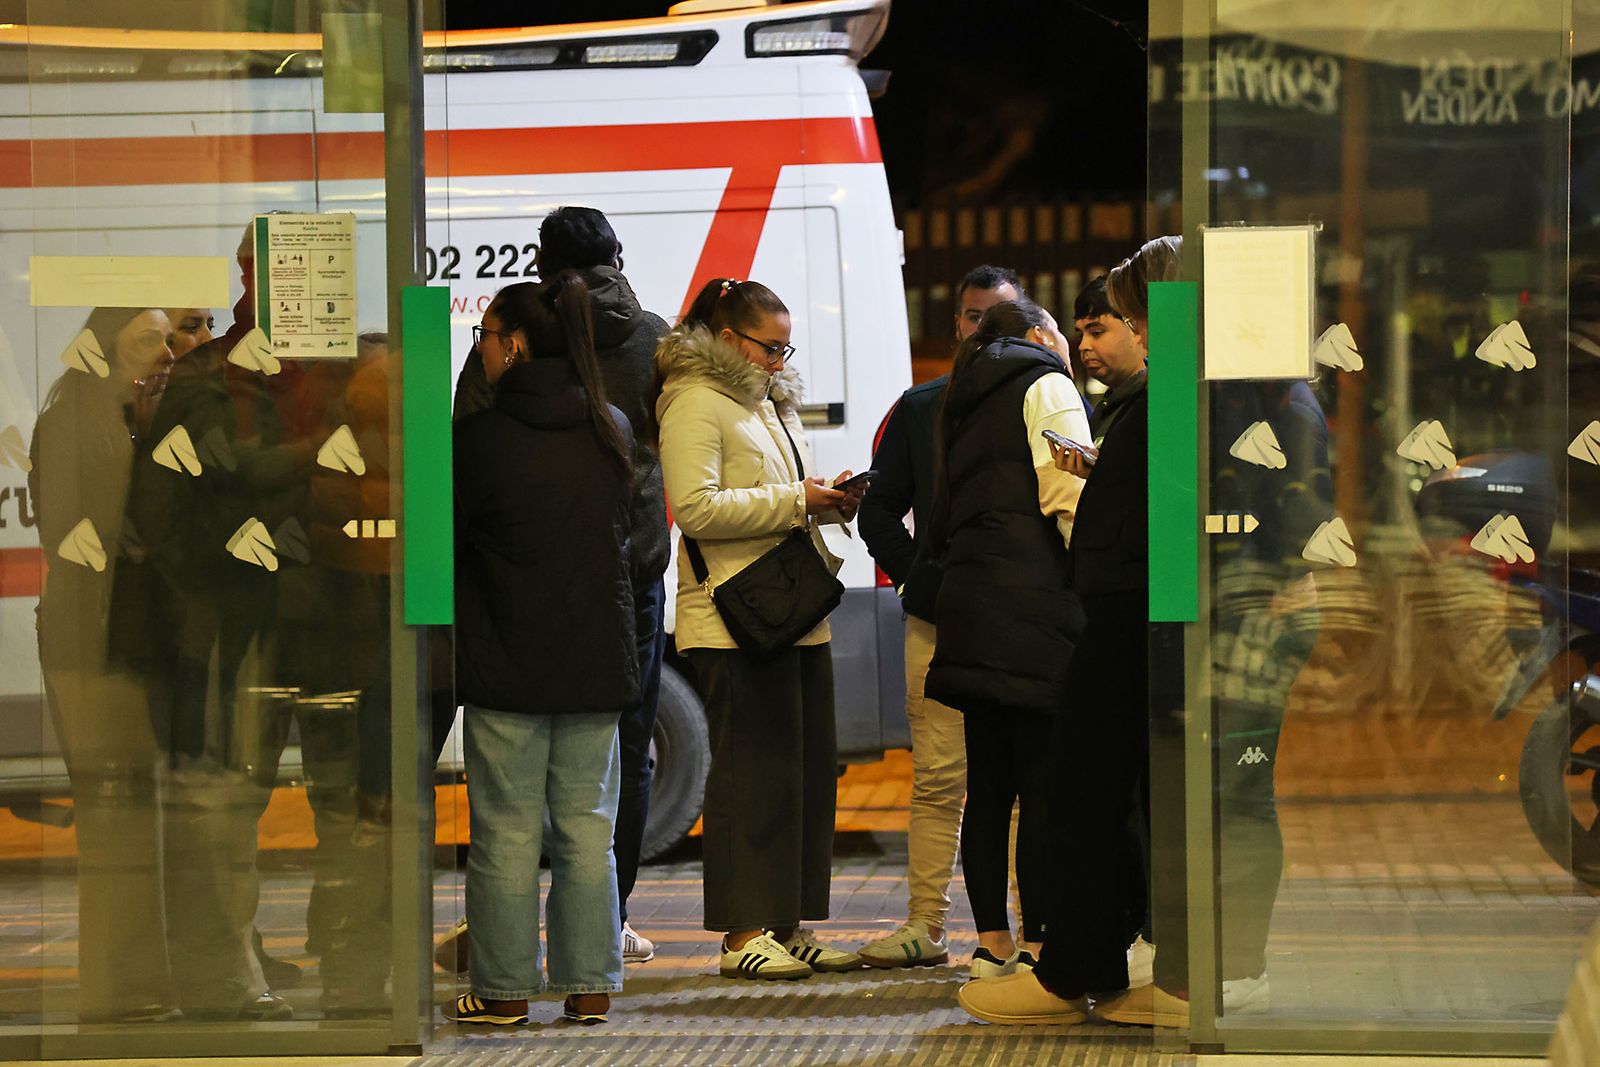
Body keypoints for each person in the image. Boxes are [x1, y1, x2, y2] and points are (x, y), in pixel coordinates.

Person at [958, 235, 1187, 1028]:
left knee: (1094, 795)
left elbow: (1172, 521)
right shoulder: (1162, 393)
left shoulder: (1175, 391)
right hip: (1128, 613)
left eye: (1128, 314)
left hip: (1140, 615)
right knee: (1092, 796)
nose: (1119, 331)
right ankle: (1098, 967)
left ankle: (1094, 973)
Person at [655, 277, 866, 981]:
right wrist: (793, 499)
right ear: (724, 339)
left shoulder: (766, 402)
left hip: (791, 611)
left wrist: (824, 500)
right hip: (733, 620)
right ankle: (743, 932)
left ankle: (789, 923)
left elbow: (777, 497)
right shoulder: (694, 401)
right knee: (749, 776)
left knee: (800, 775)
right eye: (768, 347)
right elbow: (696, 508)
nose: (779, 361)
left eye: (785, 348)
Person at [445, 275, 638, 1026]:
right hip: (596, 661)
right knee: (589, 825)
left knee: (507, 829)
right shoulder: (610, 426)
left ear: (516, 345)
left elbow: (454, 547)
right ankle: (589, 985)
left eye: (486, 336)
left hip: (508, 661)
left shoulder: (479, 440)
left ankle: (503, 991)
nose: (483, 350)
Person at [855, 264, 1025, 970]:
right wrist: (923, 581)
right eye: (972, 315)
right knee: (939, 778)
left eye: (997, 316)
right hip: (942, 620)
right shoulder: (922, 406)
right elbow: (878, 507)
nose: (981, 328)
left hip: (1019, 621)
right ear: (955, 323)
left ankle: (1030, 929)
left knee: (1018, 783)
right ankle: (927, 923)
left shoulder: (1042, 395)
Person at [923, 298, 1090, 980]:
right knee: (1042, 782)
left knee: (988, 784)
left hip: (971, 603)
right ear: (1039, 334)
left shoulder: (959, 398)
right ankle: (1042, 938)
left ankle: (992, 939)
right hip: (1034, 602)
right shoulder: (1047, 383)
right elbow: (1067, 493)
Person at [32, 307, 182, 1023]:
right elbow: (78, 534)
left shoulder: (130, 418)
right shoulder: (71, 421)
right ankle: (116, 989)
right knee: (114, 816)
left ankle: (140, 980)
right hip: (91, 641)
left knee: (136, 816)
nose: (166, 349)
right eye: (147, 337)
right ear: (107, 345)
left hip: (129, 639)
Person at [536, 207, 672, 965]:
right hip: (633, 561)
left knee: (540, 740)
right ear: (617, 254)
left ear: (542, 259)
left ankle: (529, 914)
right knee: (630, 740)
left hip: (546, 561)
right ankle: (608, 917)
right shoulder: (652, 334)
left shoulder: (524, 325)